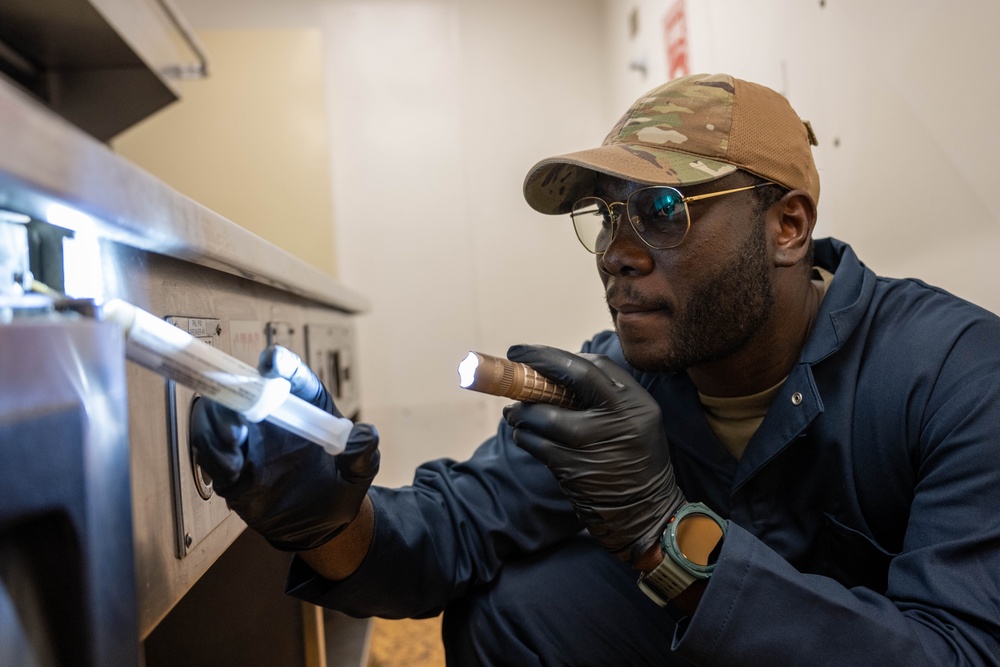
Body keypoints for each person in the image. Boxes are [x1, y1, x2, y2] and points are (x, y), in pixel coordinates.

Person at [190, 73, 1000, 665]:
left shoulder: (957, 377)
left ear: (786, 225)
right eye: (607, 214)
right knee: (512, 611)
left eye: (661, 211)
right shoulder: (626, 379)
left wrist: (667, 539)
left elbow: (961, 652)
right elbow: (455, 530)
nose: (617, 251)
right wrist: (328, 517)